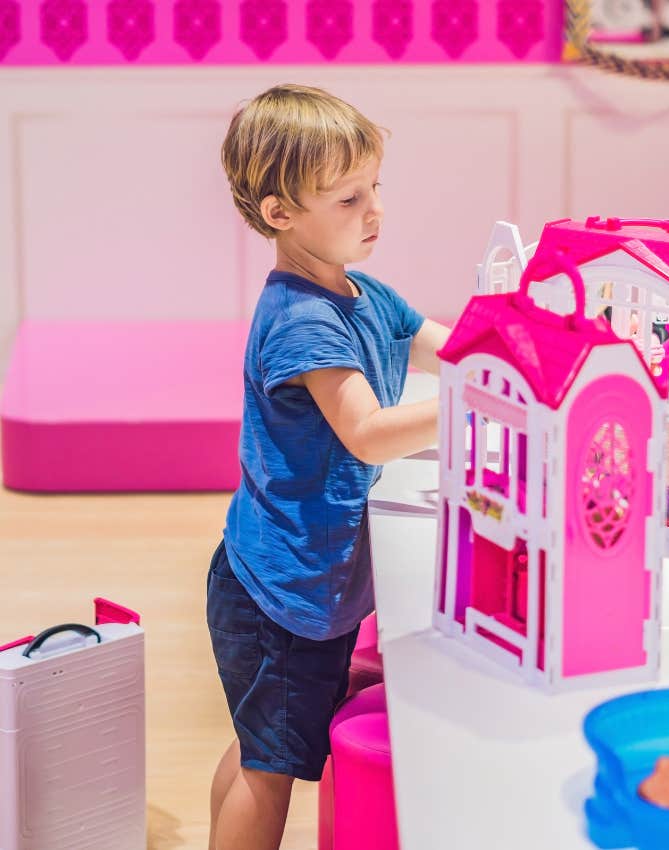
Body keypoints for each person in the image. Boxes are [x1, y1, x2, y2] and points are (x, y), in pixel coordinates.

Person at [207, 84, 450, 850]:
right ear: (280, 213)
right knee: (270, 771)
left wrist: (519, 347)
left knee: (261, 745)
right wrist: (484, 397)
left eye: (374, 187)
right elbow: (368, 433)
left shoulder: (362, 293)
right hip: (282, 595)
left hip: (294, 580)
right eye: (349, 198)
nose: (374, 210)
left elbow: (446, 345)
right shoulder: (303, 321)